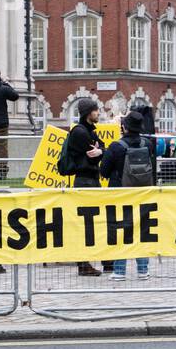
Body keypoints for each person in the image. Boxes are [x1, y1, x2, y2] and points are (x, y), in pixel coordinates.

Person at [98, 110, 160, 281]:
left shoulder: (116, 146)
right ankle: (143, 269)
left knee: (121, 230)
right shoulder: (147, 144)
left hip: (120, 193)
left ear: (123, 127)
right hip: (142, 193)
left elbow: (104, 171)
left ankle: (119, 271)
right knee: (142, 229)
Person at [64, 98, 107, 277]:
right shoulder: (80, 132)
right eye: (96, 110)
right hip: (84, 180)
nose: (98, 113)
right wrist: (98, 153)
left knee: (95, 221)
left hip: (91, 180)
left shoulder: (89, 131)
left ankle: (99, 260)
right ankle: (83, 263)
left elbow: (101, 148)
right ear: (88, 113)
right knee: (86, 224)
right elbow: (93, 155)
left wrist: (100, 151)